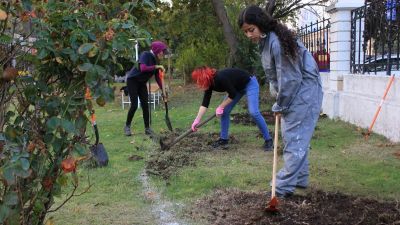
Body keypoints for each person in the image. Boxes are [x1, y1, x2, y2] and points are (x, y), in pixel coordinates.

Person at [238, 5, 323, 198]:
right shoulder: (266, 40)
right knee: (293, 136)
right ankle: (300, 178)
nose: (249, 35)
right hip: (296, 91)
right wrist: (277, 94)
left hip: (304, 92)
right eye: (245, 32)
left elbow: (291, 79)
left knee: (294, 138)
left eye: (251, 30)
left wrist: (280, 104)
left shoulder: (276, 42)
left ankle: (281, 187)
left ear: (261, 24)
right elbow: (277, 74)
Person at [191, 67, 273, 150]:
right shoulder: (209, 84)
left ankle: (268, 140)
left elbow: (232, 95)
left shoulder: (220, 78)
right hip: (236, 89)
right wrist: (197, 120)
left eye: (198, 80)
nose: (197, 83)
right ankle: (224, 140)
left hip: (250, 83)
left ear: (204, 77)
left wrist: (221, 106)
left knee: (253, 112)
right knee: (225, 112)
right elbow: (205, 103)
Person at [124, 41, 168, 136]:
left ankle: (147, 129)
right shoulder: (145, 54)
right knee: (134, 105)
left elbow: (157, 78)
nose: (163, 54)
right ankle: (127, 126)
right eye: (162, 52)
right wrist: (157, 66)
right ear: (157, 50)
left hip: (141, 83)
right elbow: (143, 68)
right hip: (133, 80)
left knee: (145, 105)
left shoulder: (156, 60)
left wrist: (163, 90)